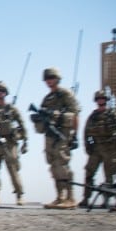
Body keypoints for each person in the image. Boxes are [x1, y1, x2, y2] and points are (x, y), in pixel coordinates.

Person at [31, 68, 80, 209]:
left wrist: (75, 135)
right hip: (50, 136)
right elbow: (41, 123)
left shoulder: (65, 94)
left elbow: (75, 115)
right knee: (53, 165)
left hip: (63, 134)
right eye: (47, 79)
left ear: (57, 78)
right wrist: (37, 120)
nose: (49, 81)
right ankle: (60, 197)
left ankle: (70, 197)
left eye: (51, 78)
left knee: (62, 164)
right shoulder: (47, 99)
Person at [78, 90, 116, 208]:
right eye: (99, 99)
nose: (101, 101)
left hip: (109, 149)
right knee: (89, 173)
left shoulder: (113, 115)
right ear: (96, 101)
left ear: (106, 100)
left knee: (108, 176)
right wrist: (89, 146)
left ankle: (106, 200)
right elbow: (87, 134)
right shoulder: (93, 117)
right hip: (96, 150)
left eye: (103, 99)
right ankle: (86, 198)